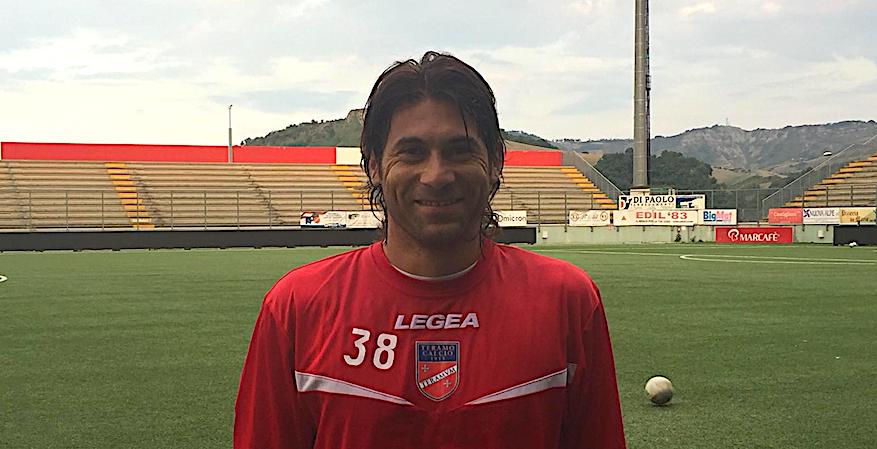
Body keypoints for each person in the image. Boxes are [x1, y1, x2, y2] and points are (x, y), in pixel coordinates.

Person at [234, 51, 626, 449]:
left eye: (460, 150)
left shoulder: (566, 300)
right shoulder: (297, 307)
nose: (436, 175)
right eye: (412, 152)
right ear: (373, 165)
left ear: (495, 161)